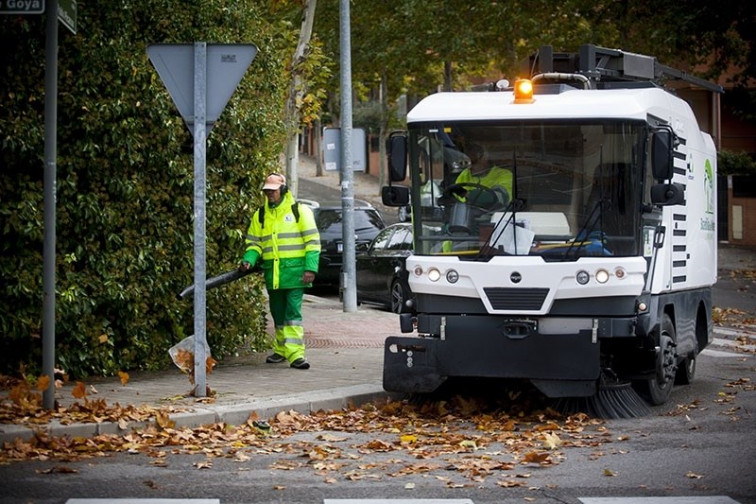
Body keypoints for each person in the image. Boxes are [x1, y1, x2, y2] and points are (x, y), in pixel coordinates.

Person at [240, 173, 321, 370]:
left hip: (295, 274)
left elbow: (312, 241)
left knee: (292, 313)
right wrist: (248, 260)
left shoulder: (299, 211)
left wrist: (310, 268)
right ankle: (281, 349)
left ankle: (296, 355)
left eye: (272, 191)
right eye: (266, 191)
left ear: (283, 190)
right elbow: (254, 244)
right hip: (274, 274)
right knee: (278, 314)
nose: (269, 194)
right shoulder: (260, 215)